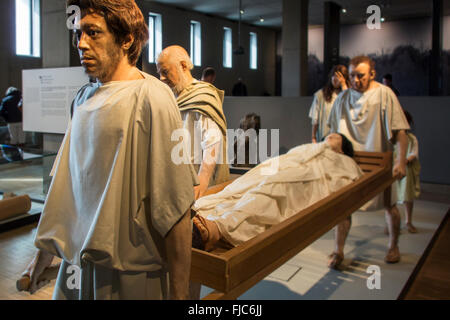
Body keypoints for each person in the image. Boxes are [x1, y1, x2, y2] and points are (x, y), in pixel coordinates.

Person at [21, 0, 197, 300]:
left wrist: (181, 294)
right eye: (79, 34)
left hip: (130, 272)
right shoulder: (82, 98)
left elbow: (176, 205)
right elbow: (65, 192)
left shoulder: (152, 96)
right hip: (77, 264)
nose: (81, 43)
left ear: (126, 39)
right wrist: (39, 261)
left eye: (93, 33)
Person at [191, 133, 361, 251]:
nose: (329, 137)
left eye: (335, 137)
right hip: (282, 167)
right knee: (241, 188)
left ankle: (217, 227)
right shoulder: (310, 148)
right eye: (328, 136)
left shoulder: (344, 160)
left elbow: (348, 178)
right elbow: (293, 156)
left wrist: (325, 148)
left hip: (304, 179)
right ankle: (202, 211)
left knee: (270, 190)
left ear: (343, 148)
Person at [328, 55, 410, 267]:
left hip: (380, 161)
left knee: (389, 205)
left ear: (372, 74)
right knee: (343, 208)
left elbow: (400, 131)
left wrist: (400, 161)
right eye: (353, 75)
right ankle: (338, 251)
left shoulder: (385, 94)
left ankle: (393, 245)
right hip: (350, 163)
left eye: (361, 76)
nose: (356, 80)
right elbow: (333, 133)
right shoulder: (343, 99)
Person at [157, 46, 230, 200]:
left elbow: (212, 141)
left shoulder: (202, 96)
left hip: (195, 183)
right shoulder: (170, 97)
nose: (161, 78)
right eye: (159, 73)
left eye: (165, 72)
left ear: (183, 66)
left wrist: (202, 180)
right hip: (174, 178)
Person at [309, 65, 349, 143]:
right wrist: (313, 137)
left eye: (339, 76)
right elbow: (315, 119)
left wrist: (344, 85)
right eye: (333, 75)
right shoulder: (321, 95)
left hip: (343, 139)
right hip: (326, 137)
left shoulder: (349, 95)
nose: (335, 78)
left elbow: (348, 104)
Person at [395, 110, 420, 233]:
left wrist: (403, 161)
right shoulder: (391, 139)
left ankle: (408, 221)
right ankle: (392, 223)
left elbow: (413, 153)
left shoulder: (411, 138)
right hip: (393, 170)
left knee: (407, 196)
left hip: (406, 170)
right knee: (391, 197)